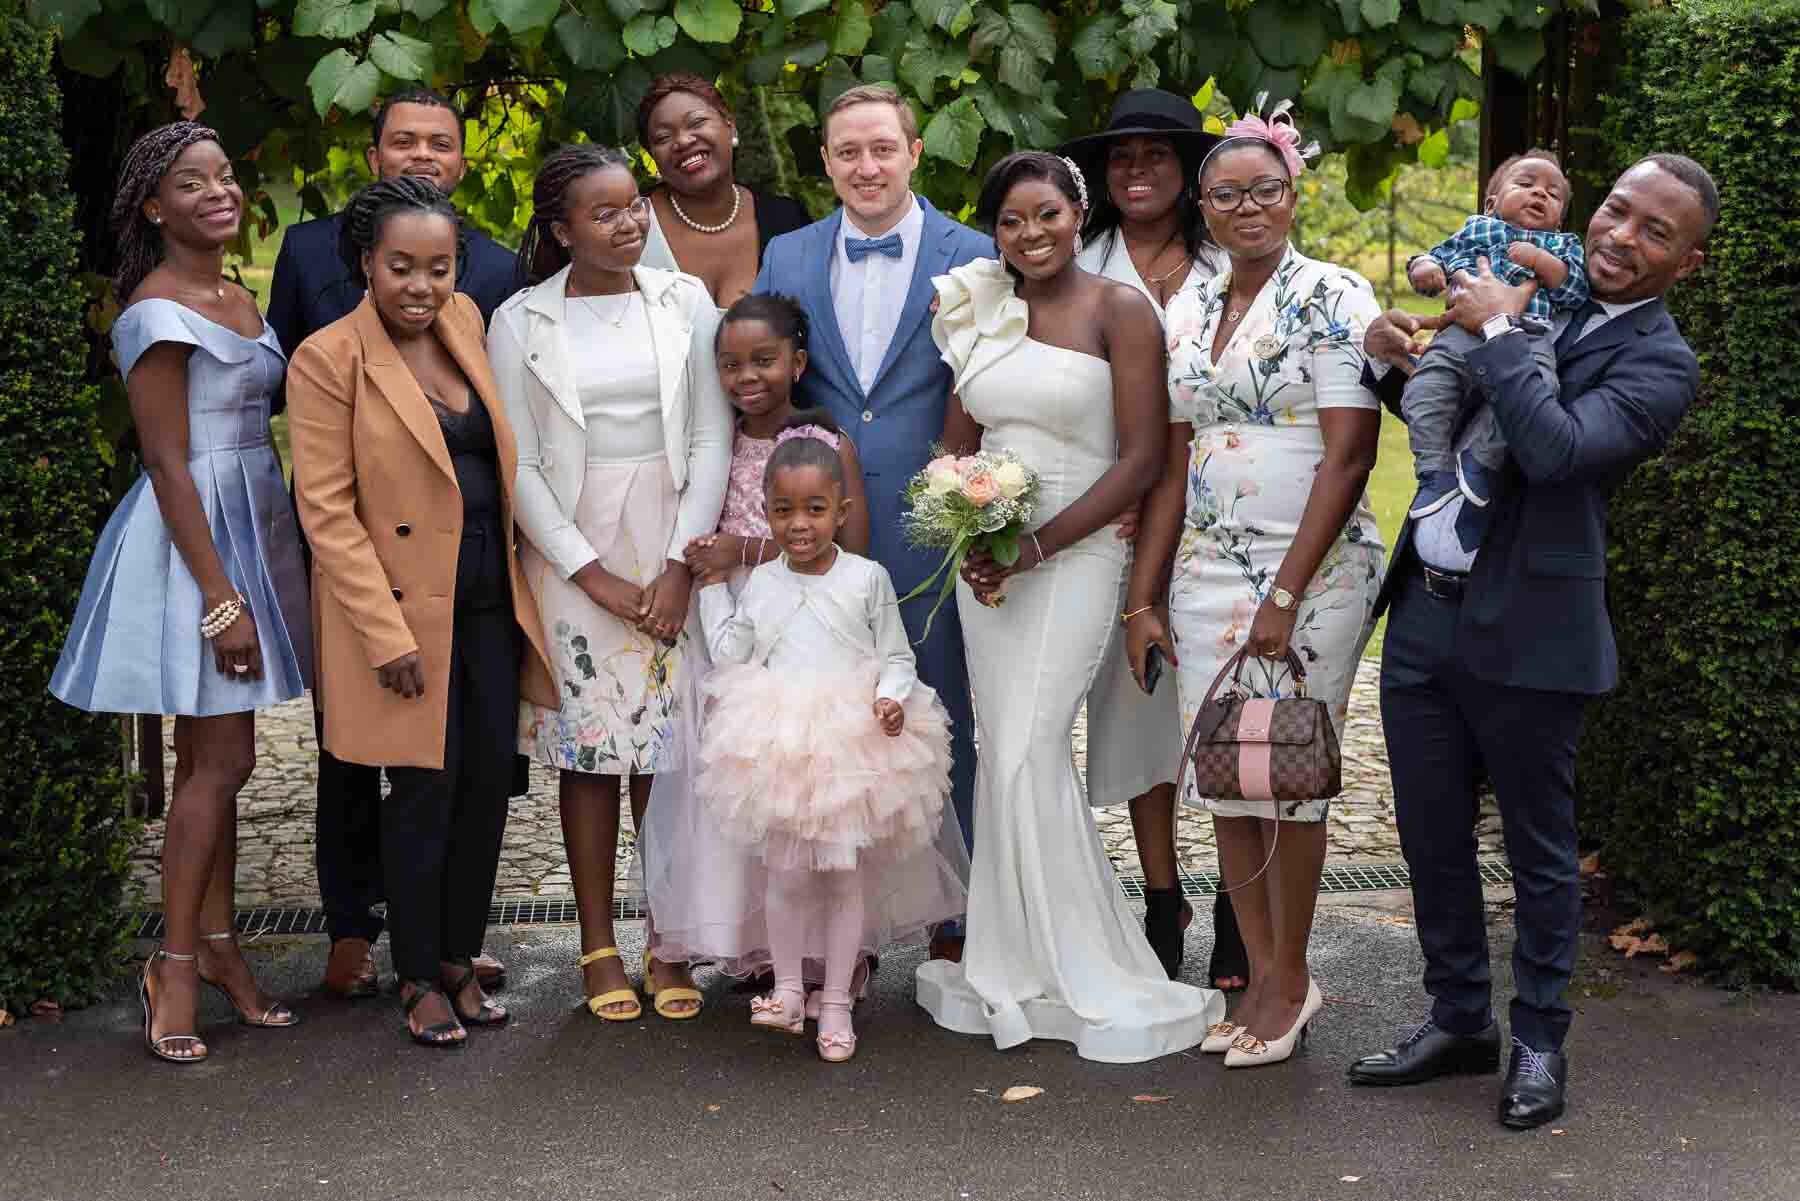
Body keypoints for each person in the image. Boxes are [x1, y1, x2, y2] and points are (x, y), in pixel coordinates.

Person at [1346, 154, 1714, 1129]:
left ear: (1691, 262)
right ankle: (1459, 1016)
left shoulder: (1661, 363)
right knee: (1429, 833)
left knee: (1539, 851)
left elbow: (1550, 452)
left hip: (1535, 628)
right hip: (1424, 611)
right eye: (1619, 211)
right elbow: (1465, 405)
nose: (1621, 236)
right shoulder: (1526, 278)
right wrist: (1393, 359)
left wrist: (1500, 325)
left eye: (1655, 232)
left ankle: (1539, 1040)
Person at [913, 151, 1223, 1062]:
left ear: (1076, 211)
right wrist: (969, 532)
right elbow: (957, 437)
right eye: (1010, 221)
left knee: (1028, 744)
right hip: (995, 564)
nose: (1030, 235)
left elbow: (1139, 461)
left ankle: (1075, 958)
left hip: (1081, 552)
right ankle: (1012, 952)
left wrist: (1039, 544)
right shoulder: (982, 307)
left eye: (1046, 214)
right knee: (1000, 745)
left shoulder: (1120, 309)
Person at [1128, 100, 1387, 1069]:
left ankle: (1291, 977)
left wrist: (1284, 594)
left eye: (1265, 191)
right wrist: (1147, 590)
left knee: (1294, 776)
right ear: (1204, 203)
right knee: (1230, 781)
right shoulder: (1188, 305)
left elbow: (1352, 454)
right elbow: (1174, 448)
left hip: (1310, 575)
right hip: (1207, 572)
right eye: (1228, 193)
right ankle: (1264, 976)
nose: (1248, 208)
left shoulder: (1336, 293)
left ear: (1292, 193)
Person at [52, 121, 311, 1063]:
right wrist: (220, 597)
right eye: (192, 182)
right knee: (222, 763)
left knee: (224, 760)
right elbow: (165, 461)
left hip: (253, 517)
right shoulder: (155, 309)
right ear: (153, 208)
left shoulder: (237, 295)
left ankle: (220, 947)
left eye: (227, 174)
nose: (219, 191)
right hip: (194, 540)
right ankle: (174, 963)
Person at [286, 177, 556, 1048]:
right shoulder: (327, 358)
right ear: (366, 261)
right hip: (399, 615)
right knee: (421, 791)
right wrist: (383, 634)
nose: (420, 286)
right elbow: (325, 510)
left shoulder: (466, 322)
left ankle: (456, 955)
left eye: (438, 268)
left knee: (485, 787)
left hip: (484, 597)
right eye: (400, 266)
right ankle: (414, 975)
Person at [490, 143, 732, 1022]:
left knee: (670, 754)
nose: (631, 222)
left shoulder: (686, 302)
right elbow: (516, 464)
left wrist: (679, 564)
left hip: (674, 534)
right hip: (572, 550)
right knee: (592, 753)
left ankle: (672, 939)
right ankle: (598, 943)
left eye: (636, 206)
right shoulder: (520, 320)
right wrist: (586, 571)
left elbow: (711, 435)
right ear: (561, 229)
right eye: (606, 212)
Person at [752, 83, 991, 962]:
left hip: (935, 522)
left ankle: (957, 909)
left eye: (882, 148)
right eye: (848, 152)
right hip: (820, 528)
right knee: (828, 717)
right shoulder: (787, 253)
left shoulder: (972, 254)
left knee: (942, 707)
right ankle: (832, 926)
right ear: (825, 162)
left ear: (915, 152)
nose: (866, 166)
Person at [690, 432, 968, 1062]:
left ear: (841, 511)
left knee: (843, 879)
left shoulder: (866, 578)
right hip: (783, 740)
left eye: (815, 509)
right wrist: (711, 589)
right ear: (767, 513)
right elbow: (735, 651)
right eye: (784, 510)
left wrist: (892, 696)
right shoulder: (761, 582)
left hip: (852, 744)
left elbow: (895, 654)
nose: (799, 524)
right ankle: (789, 990)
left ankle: (837, 1001)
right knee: (785, 874)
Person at [1060, 87, 1245, 988]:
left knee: (1229, 708)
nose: (1137, 170)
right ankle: (1162, 894)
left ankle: (1240, 904)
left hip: (1225, 513)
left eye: (1157, 156)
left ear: (1188, 173)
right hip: (1118, 509)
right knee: (1137, 710)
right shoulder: (1076, 262)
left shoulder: (1233, 262)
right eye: (1122, 157)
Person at [643, 295, 872, 984]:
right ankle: (753, 944)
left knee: (806, 791)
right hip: (730, 637)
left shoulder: (827, 447)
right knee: (739, 789)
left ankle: (832, 955)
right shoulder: (717, 450)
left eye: (764, 361)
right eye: (731, 364)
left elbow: (853, 549)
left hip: (807, 635)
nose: (747, 376)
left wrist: (742, 549)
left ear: (797, 363)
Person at [1401, 150, 1588, 536]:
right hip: (1460, 333)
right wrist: (1425, 268)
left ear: (1560, 217)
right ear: (1492, 202)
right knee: (1425, 387)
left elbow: (1574, 290)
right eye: (1526, 184)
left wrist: (1540, 259)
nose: (1540, 194)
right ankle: (1433, 471)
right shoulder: (1477, 229)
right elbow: (1437, 256)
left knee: (1541, 389)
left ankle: (1480, 461)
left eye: (1553, 194)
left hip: (1526, 337)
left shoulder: (1564, 246)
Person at [635, 74, 811, 308]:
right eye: (663, 137)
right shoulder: (630, 226)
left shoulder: (788, 221)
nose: (683, 141)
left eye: (697, 122)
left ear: (730, 125)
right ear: (653, 156)